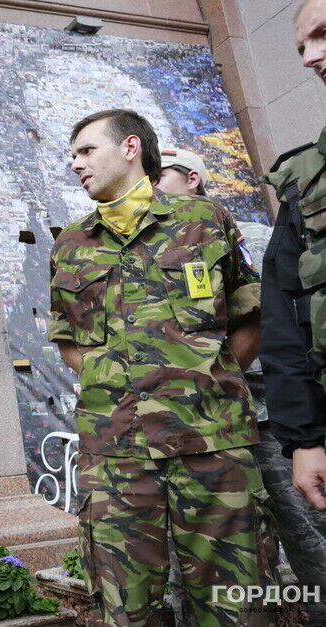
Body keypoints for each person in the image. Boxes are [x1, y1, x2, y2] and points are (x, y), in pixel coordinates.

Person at [50, 109, 276, 626]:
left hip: (212, 444)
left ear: (130, 148)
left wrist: (206, 382)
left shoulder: (205, 220)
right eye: (73, 154)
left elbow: (249, 316)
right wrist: (121, 393)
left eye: (86, 150)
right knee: (126, 609)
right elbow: (70, 342)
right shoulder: (71, 244)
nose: (75, 163)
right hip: (115, 455)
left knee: (235, 605)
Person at [158, 151, 326, 622]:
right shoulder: (148, 251)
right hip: (199, 429)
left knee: (309, 536)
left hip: (268, 420)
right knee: (218, 553)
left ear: (193, 179)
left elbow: (282, 322)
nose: (150, 185)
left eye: (161, 175)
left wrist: (218, 376)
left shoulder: (248, 237)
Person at [260, 0, 326, 517]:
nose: (309, 58)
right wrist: (305, 439)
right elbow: (283, 315)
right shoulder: (305, 179)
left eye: (322, 34)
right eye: (302, 46)